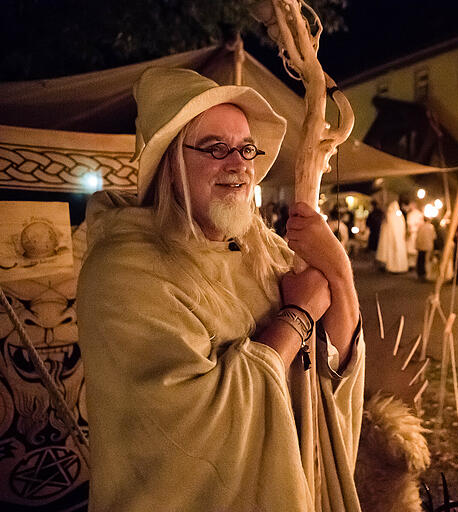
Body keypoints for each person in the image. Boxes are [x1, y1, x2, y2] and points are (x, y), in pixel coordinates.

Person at [77, 68, 365, 511]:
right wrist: (298, 317)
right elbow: (196, 432)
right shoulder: (124, 270)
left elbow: (326, 365)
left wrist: (339, 275)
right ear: (170, 162)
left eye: (246, 148)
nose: (239, 165)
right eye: (216, 148)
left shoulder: (259, 244)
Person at [376, 200, 409, 273]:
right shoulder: (400, 216)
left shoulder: (391, 216)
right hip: (399, 240)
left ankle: (393, 267)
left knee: (392, 254)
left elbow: (390, 228)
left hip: (392, 239)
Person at [415, 214, 436, 282]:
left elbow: (417, 236)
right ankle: (425, 275)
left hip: (420, 246)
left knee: (420, 260)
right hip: (428, 246)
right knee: (426, 261)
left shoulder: (421, 226)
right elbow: (434, 237)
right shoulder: (431, 227)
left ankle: (420, 274)